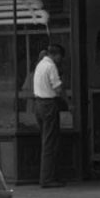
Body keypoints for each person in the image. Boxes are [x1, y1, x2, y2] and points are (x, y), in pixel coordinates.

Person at [32, 43, 67, 188]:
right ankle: (47, 178)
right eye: (60, 57)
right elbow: (57, 89)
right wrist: (68, 102)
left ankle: (48, 176)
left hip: (39, 105)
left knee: (46, 141)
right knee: (50, 143)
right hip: (48, 105)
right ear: (56, 55)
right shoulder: (51, 66)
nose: (60, 60)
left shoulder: (40, 65)